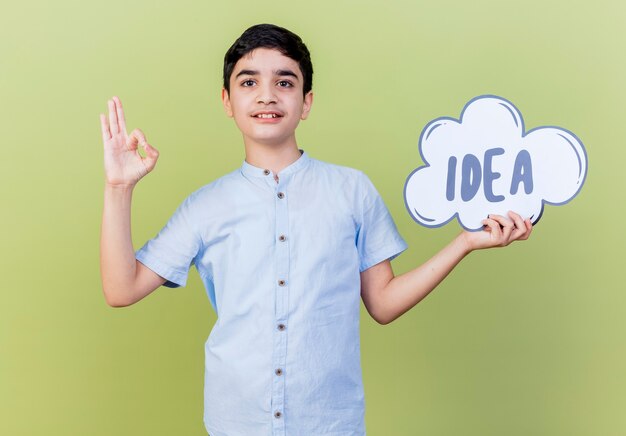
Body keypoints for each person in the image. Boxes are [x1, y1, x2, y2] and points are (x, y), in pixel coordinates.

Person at [99, 23, 532, 436]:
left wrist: (465, 243)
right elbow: (122, 289)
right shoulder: (205, 206)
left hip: (330, 423)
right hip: (237, 422)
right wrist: (119, 187)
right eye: (248, 82)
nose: (267, 95)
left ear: (306, 101)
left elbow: (382, 303)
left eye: (285, 82)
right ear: (227, 100)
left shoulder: (352, 190)